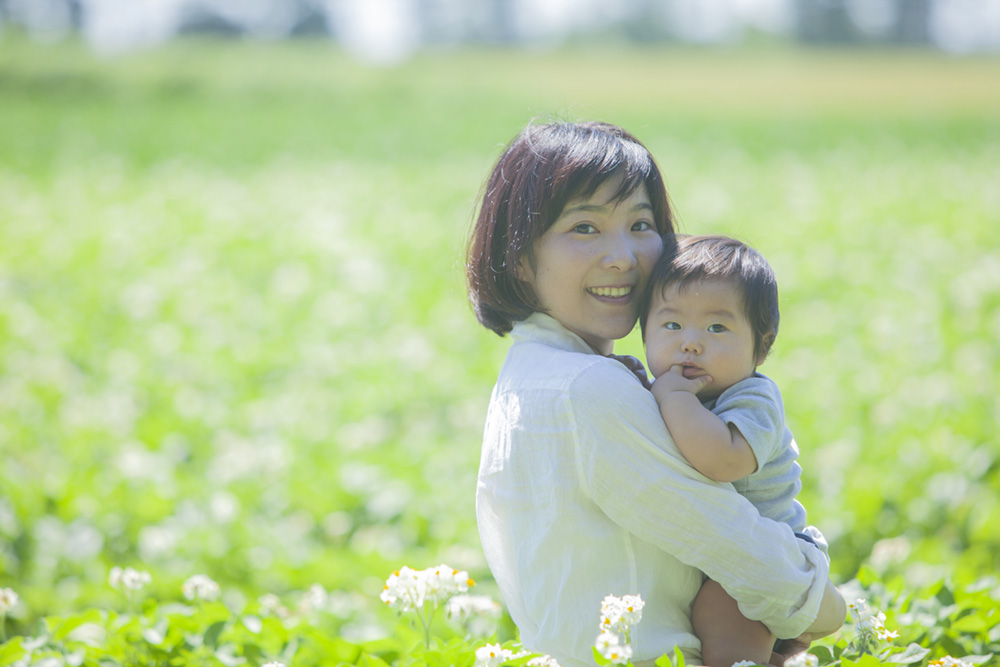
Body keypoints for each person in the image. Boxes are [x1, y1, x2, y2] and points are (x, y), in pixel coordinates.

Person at [466, 120, 845, 667]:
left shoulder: (532, 375)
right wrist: (832, 611)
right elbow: (735, 544)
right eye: (585, 228)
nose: (624, 257)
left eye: (640, 224)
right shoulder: (587, 389)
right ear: (520, 257)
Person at [639, 234, 829, 667]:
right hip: (717, 556)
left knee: (723, 630)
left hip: (770, 560)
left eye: (716, 328)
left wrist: (674, 400)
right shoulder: (671, 386)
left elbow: (722, 460)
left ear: (761, 345)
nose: (691, 343)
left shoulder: (753, 399)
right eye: (671, 325)